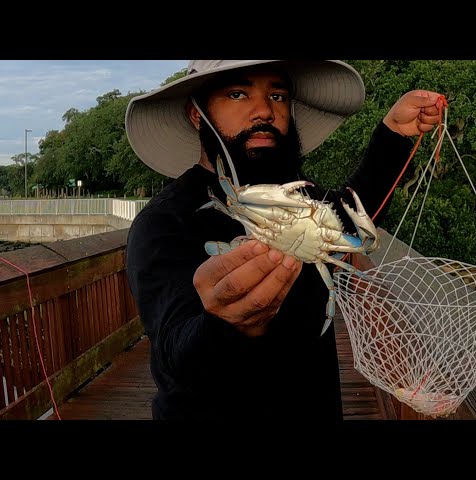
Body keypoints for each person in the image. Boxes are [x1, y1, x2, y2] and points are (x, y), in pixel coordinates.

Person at [124, 60, 443, 421]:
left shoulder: (301, 201)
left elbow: (351, 224)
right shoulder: (163, 222)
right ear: (197, 114)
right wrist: (223, 325)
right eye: (238, 94)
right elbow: (173, 349)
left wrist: (393, 135)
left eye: (277, 95)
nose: (265, 111)